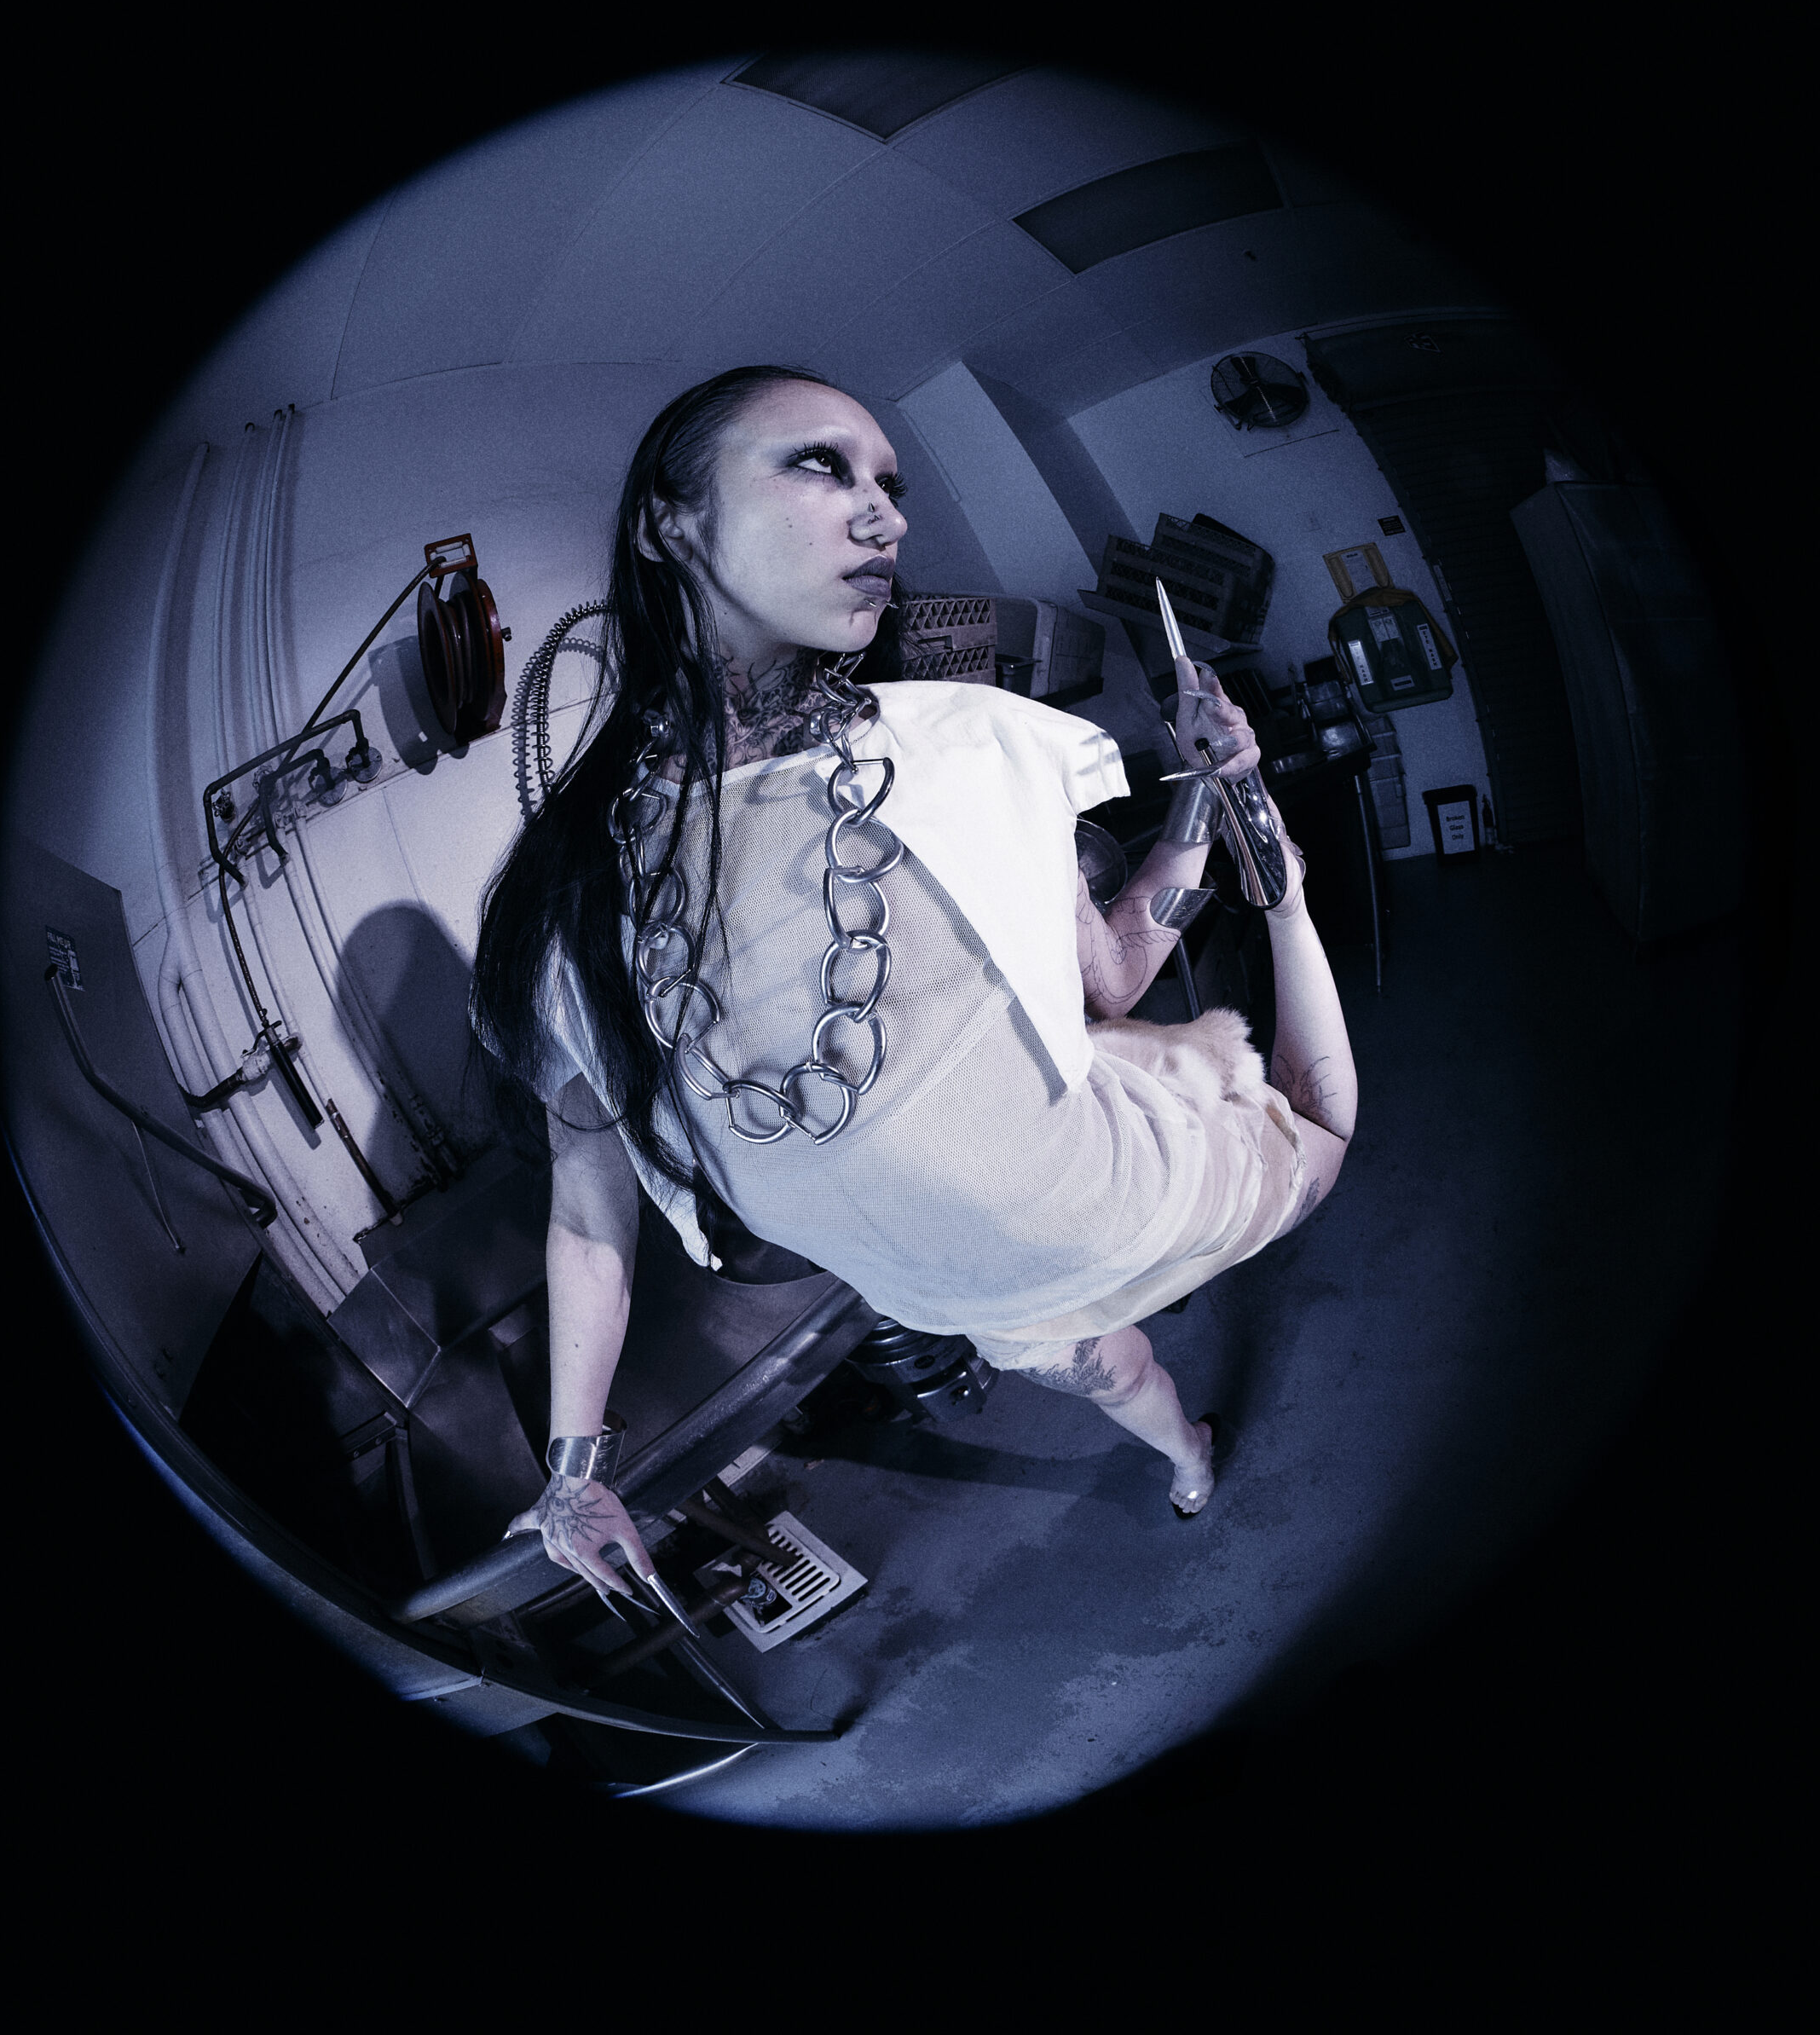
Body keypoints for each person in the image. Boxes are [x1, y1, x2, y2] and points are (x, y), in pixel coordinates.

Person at [470, 366, 1357, 1604]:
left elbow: (1111, 974)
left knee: (1323, 1128)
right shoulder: (575, 887)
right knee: (1109, 1372)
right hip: (953, 1284)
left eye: (890, 483)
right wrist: (574, 1465)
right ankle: (1187, 1453)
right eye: (820, 465)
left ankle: (1292, 895)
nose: (886, 514)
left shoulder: (965, 751)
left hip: (1116, 1187)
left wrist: (1214, 792)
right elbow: (589, 1185)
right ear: (669, 522)